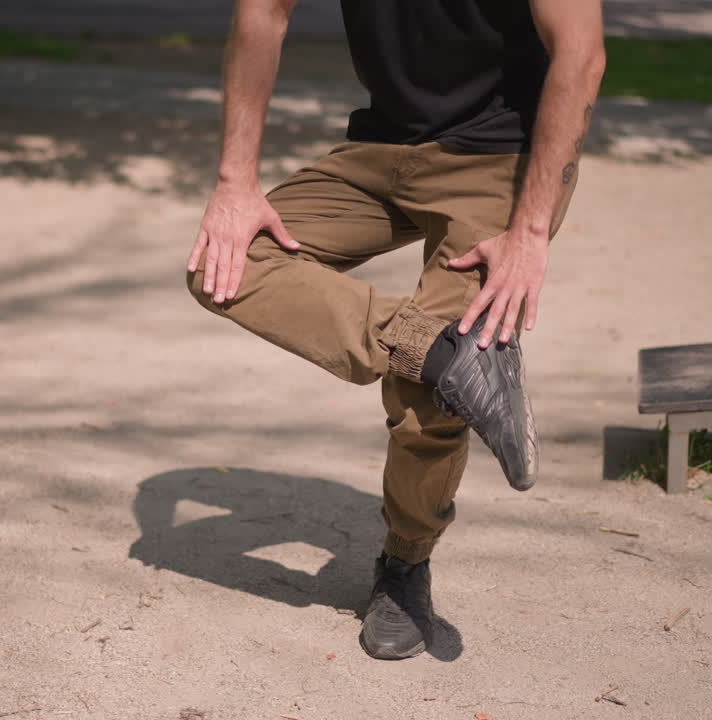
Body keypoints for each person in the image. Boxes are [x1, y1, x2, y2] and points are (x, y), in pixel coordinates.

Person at [185, 0, 605, 660]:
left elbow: (581, 53)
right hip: (382, 148)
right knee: (227, 263)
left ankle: (406, 567)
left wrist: (529, 232)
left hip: (503, 160)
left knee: (425, 404)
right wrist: (236, 183)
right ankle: (442, 354)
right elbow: (262, 12)